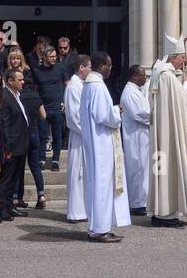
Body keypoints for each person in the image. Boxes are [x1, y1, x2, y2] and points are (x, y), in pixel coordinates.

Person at [148, 43, 187, 228]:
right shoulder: (167, 76)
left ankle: (159, 211)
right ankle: (165, 214)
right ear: (173, 57)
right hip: (170, 133)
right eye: (182, 57)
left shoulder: (158, 73)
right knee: (168, 167)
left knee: (161, 168)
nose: (184, 60)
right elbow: (184, 104)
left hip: (162, 132)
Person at [81, 52, 127, 242]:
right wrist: (117, 111)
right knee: (102, 185)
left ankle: (99, 226)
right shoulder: (98, 87)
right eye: (109, 65)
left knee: (99, 184)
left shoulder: (89, 85)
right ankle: (100, 229)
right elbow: (104, 116)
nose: (111, 68)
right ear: (101, 66)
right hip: (101, 144)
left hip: (96, 142)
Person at [7, 50, 45, 210]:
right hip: (35, 133)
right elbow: (43, 115)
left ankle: (15, 197)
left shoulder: (17, 97)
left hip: (21, 135)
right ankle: (41, 195)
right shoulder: (35, 96)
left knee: (18, 167)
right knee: (35, 165)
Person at [0, 67, 31, 222]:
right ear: (10, 81)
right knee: (6, 177)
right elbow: (4, 123)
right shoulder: (5, 95)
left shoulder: (17, 95)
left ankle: (9, 206)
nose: (23, 82)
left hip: (21, 144)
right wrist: (7, 146)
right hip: (11, 145)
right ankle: (1, 208)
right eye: (20, 80)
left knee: (15, 177)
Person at [29, 44, 70, 170]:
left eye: (54, 56)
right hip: (43, 108)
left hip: (58, 107)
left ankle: (55, 160)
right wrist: (37, 105)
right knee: (42, 135)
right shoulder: (37, 70)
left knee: (57, 135)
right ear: (45, 57)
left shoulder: (61, 68)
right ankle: (41, 159)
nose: (53, 58)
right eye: (51, 57)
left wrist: (66, 102)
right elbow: (35, 90)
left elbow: (68, 86)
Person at [63, 53, 92, 223]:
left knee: (84, 175)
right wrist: (90, 131)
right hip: (80, 136)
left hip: (85, 135)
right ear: (81, 68)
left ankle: (83, 209)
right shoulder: (74, 86)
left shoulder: (81, 85)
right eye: (89, 67)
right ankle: (76, 211)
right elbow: (75, 117)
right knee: (78, 174)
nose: (91, 70)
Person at [119, 64, 151, 216]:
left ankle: (142, 200)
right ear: (134, 76)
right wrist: (155, 117)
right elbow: (138, 114)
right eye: (143, 75)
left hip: (141, 136)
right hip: (135, 136)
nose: (145, 77)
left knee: (142, 169)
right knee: (137, 169)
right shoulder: (130, 93)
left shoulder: (136, 91)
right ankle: (136, 203)